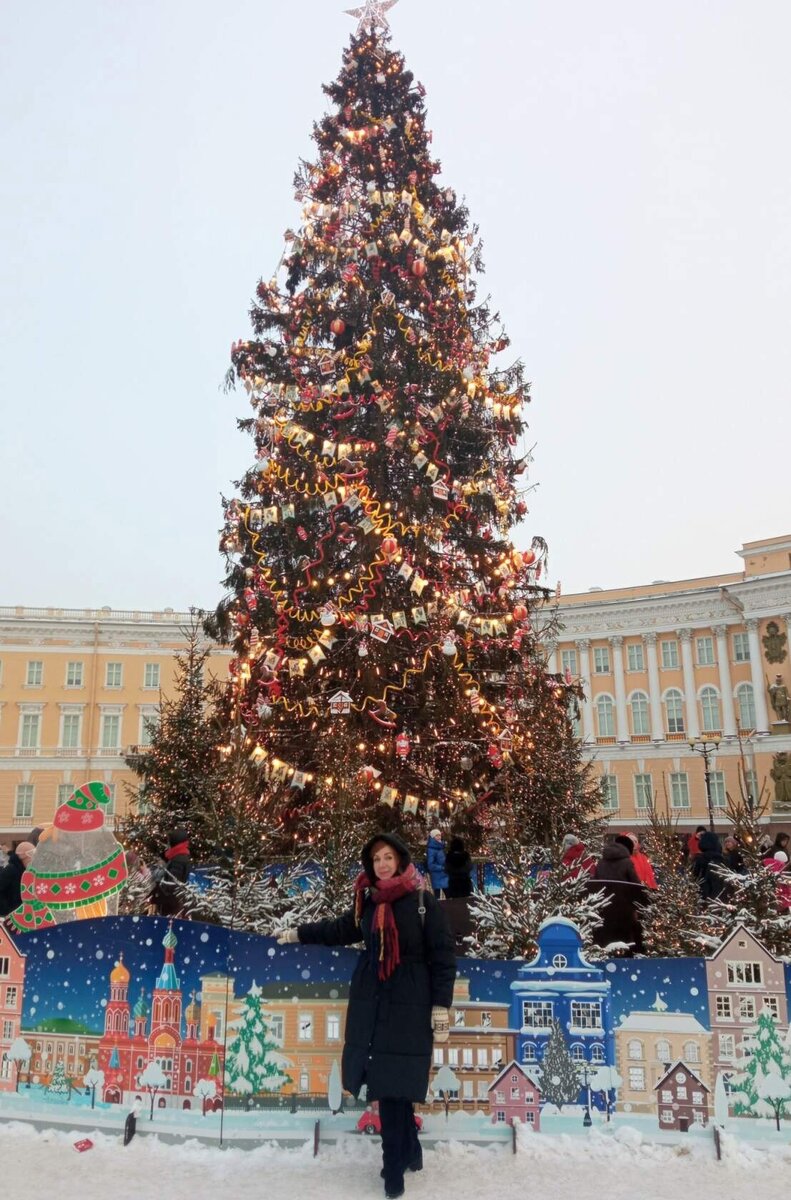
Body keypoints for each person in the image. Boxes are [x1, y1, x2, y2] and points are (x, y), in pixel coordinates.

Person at [278, 832, 455, 1199]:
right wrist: (298, 934)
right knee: (392, 1086)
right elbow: (341, 929)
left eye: (388, 857)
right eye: (376, 859)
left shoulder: (423, 901)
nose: (383, 864)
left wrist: (441, 1006)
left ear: (401, 860)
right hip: (373, 1001)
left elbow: (442, 956)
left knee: (393, 1086)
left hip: (410, 1002)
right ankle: (411, 1153)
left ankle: (393, 1175)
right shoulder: (370, 902)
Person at [588, 838, 645, 954]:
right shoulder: (627, 863)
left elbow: (595, 883)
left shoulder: (601, 862)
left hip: (604, 907)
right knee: (626, 940)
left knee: (606, 939)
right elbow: (635, 885)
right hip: (623, 910)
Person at [153, 827, 192, 917]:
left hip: (171, 904)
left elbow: (172, 884)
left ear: (174, 842)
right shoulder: (179, 856)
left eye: (169, 842)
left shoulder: (178, 859)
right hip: (174, 902)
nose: (168, 844)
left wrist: (160, 888)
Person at [0, 841, 35, 916]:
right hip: (10, 917)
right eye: (32, 855)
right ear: (23, 857)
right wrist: (7, 911)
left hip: (24, 915)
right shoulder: (10, 870)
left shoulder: (27, 872)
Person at [691, 831, 728, 902]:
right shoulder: (721, 859)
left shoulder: (699, 859)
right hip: (720, 897)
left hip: (702, 894)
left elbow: (694, 876)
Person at [425, 829, 448, 895]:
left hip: (444, 876)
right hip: (437, 876)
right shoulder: (431, 849)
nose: (439, 837)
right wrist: (442, 868)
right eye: (436, 836)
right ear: (432, 837)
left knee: (448, 897)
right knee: (438, 897)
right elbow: (430, 865)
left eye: (439, 835)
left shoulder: (440, 847)